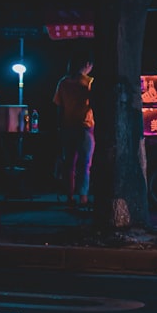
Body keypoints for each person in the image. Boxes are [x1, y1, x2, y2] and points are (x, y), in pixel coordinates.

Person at [52, 50, 96, 209]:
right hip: (85, 127)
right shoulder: (89, 82)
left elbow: (58, 107)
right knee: (85, 164)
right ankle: (83, 197)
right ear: (87, 65)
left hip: (67, 127)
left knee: (69, 163)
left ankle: (69, 196)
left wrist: (59, 126)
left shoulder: (63, 82)